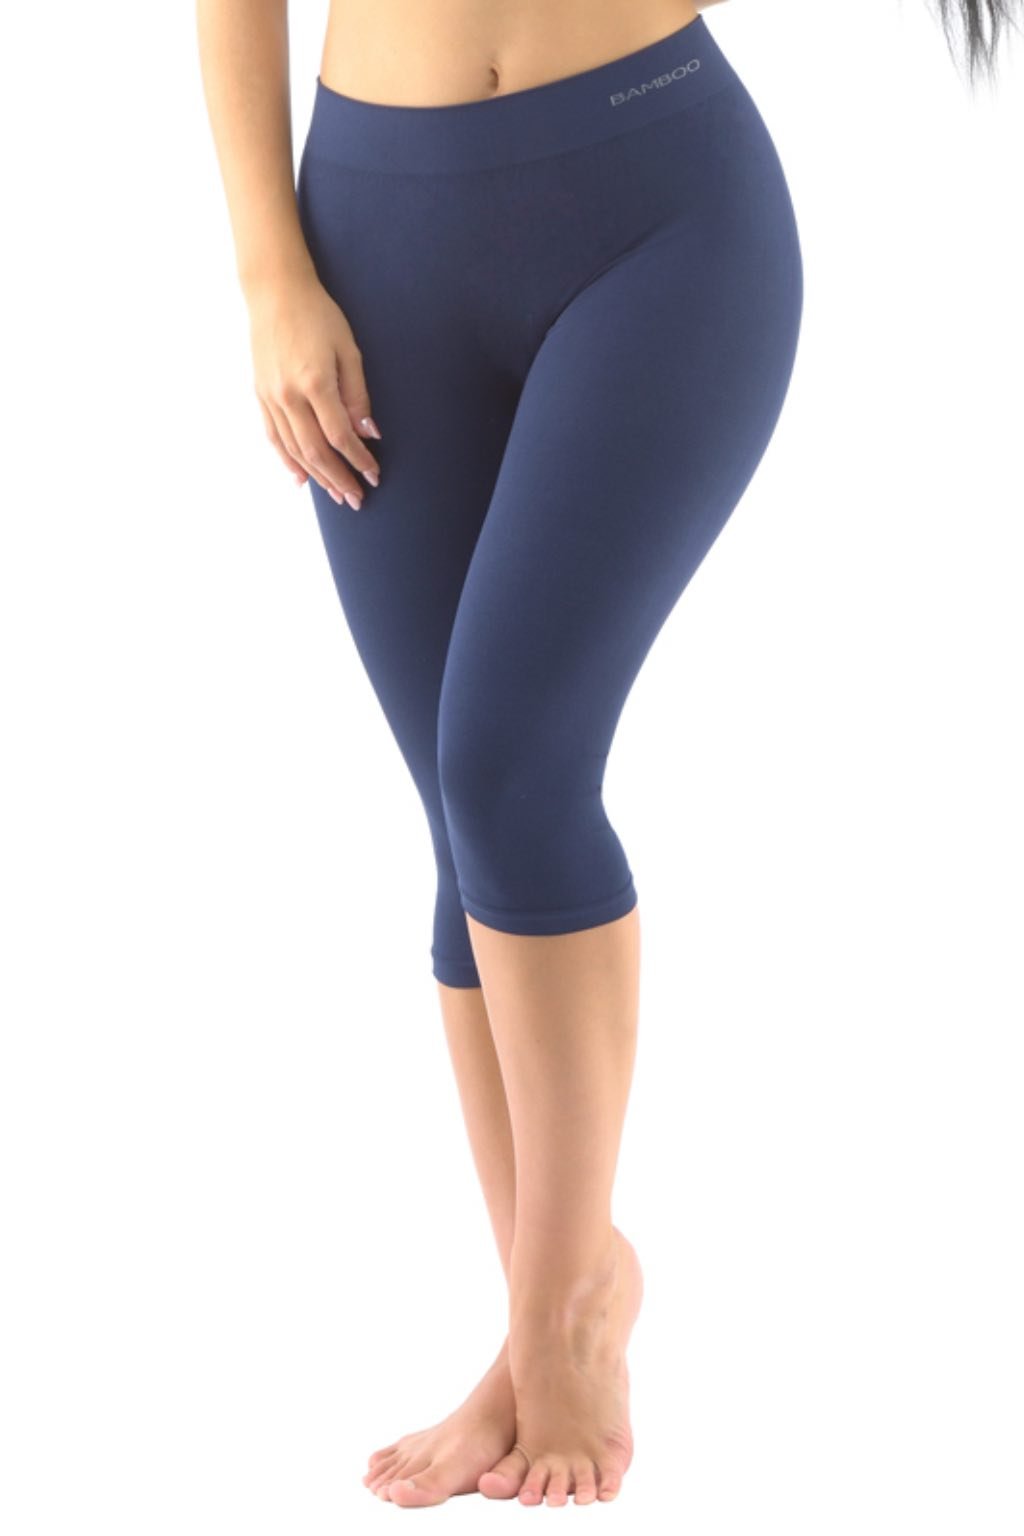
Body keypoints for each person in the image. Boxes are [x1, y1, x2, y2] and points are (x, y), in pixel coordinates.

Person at [195, 0, 1018, 1510]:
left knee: (508, 765)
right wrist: (268, 272)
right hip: (373, 235)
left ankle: (562, 1306)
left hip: (656, 210)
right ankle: (553, 1297)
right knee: (464, 812)